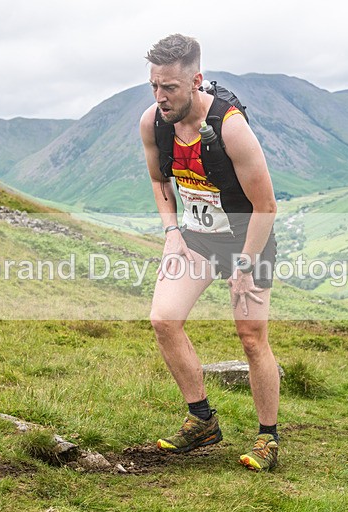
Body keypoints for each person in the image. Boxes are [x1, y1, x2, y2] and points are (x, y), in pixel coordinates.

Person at [140, 34, 280, 471]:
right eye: (154, 87)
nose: (161, 98)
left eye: (171, 88)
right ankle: (202, 420)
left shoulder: (231, 127)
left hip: (247, 238)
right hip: (196, 239)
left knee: (251, 337)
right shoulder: (154, 122)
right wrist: (171, 232)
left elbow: (266, 206)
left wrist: (245, 262)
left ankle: (268, 440)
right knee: (163, 320)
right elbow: (161, 182)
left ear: (196, 81)